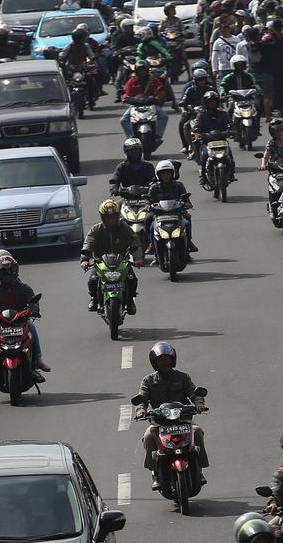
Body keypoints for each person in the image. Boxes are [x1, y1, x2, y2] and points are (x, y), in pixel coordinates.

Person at [138, 342, 209, 486]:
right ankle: (155, 473)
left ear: (173, 360)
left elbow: (194, 394)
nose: (165, 362)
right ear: (155, 362)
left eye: (167, 359)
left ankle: (199, 470)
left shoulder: (183, 377)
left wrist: (199, 404)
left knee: (197, 432)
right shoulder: (148, 381)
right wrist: (141, 411)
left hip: (182, 421)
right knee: (148, 437)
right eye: (161, 360)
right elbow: (142, 398)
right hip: (159, 423)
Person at [0, 251, 48, 386]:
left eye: (10, 271)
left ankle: (38, 361)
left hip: (20, 319)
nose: (8, 275)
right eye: (4, 272)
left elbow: (33, 300)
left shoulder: (23, 288)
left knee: (32, 328)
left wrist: (34, 311)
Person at [81, 200, 142, 313]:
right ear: (102, 217)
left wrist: (138, 258)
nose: (110, 220)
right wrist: (85, 259)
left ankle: (130, 301)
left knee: (132, 279)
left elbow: (135, 242)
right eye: (107, 217)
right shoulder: (96, 229)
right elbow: (88, 243)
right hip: (101, 262)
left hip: (122, 261)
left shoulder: (124, 228)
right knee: (92, 281)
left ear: (117, 216)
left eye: (113, 217)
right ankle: (94, 299)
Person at [148, 159, 198, 254]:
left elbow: (187, 202)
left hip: (177, 213)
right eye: (163, 173)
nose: (166, 176)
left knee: (187, 220)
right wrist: (148, 206)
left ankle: (188, 241)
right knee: (148, 221)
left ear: (172, 174)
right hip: (159, 215)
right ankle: (151, 244)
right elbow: (149, 201)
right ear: (159, 175)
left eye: (168, 173)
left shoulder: (179, 185)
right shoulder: (154, 187)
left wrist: (186, 205)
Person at [120, 61, 172, 140]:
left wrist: (159, 97)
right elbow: (125, 92)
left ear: (147, 70)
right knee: (123, 120)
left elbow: (161, 90)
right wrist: (126, 97)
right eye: (140, 70)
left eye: (144, 70)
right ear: (137, 71)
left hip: (151, 105)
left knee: (164, 116)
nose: (142, 72)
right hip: (135, 105)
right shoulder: (132, 81)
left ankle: (158, 136)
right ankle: (131, 138)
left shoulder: (154, 80)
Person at [178, 68, 214, 153]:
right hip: (194, 113)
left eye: (203, 79)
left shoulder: (210, 88)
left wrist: (219, 107)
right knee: (184, 125)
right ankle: (188, 146)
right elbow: (183, 101)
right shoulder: (190, 90)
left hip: (209, 113)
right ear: (195, 80)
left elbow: (217, 98)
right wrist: (184, 110)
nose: (202, 81)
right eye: (199, 79)